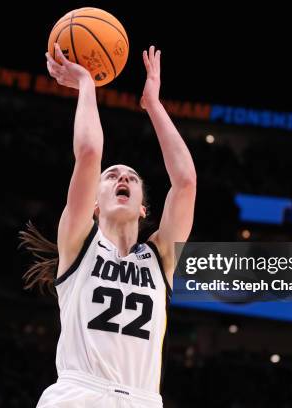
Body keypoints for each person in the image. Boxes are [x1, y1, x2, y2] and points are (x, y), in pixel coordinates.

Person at [20, 43, 196, 408]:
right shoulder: (77, 244)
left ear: (144, 208)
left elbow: (186, 182)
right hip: (78, 394)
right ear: (94, 204)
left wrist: (154, 105)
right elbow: (88, 153)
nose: (122, 178)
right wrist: (86, 83)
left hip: (142, 400)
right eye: (112, 175)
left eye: (131, 178)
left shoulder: (160, 258)